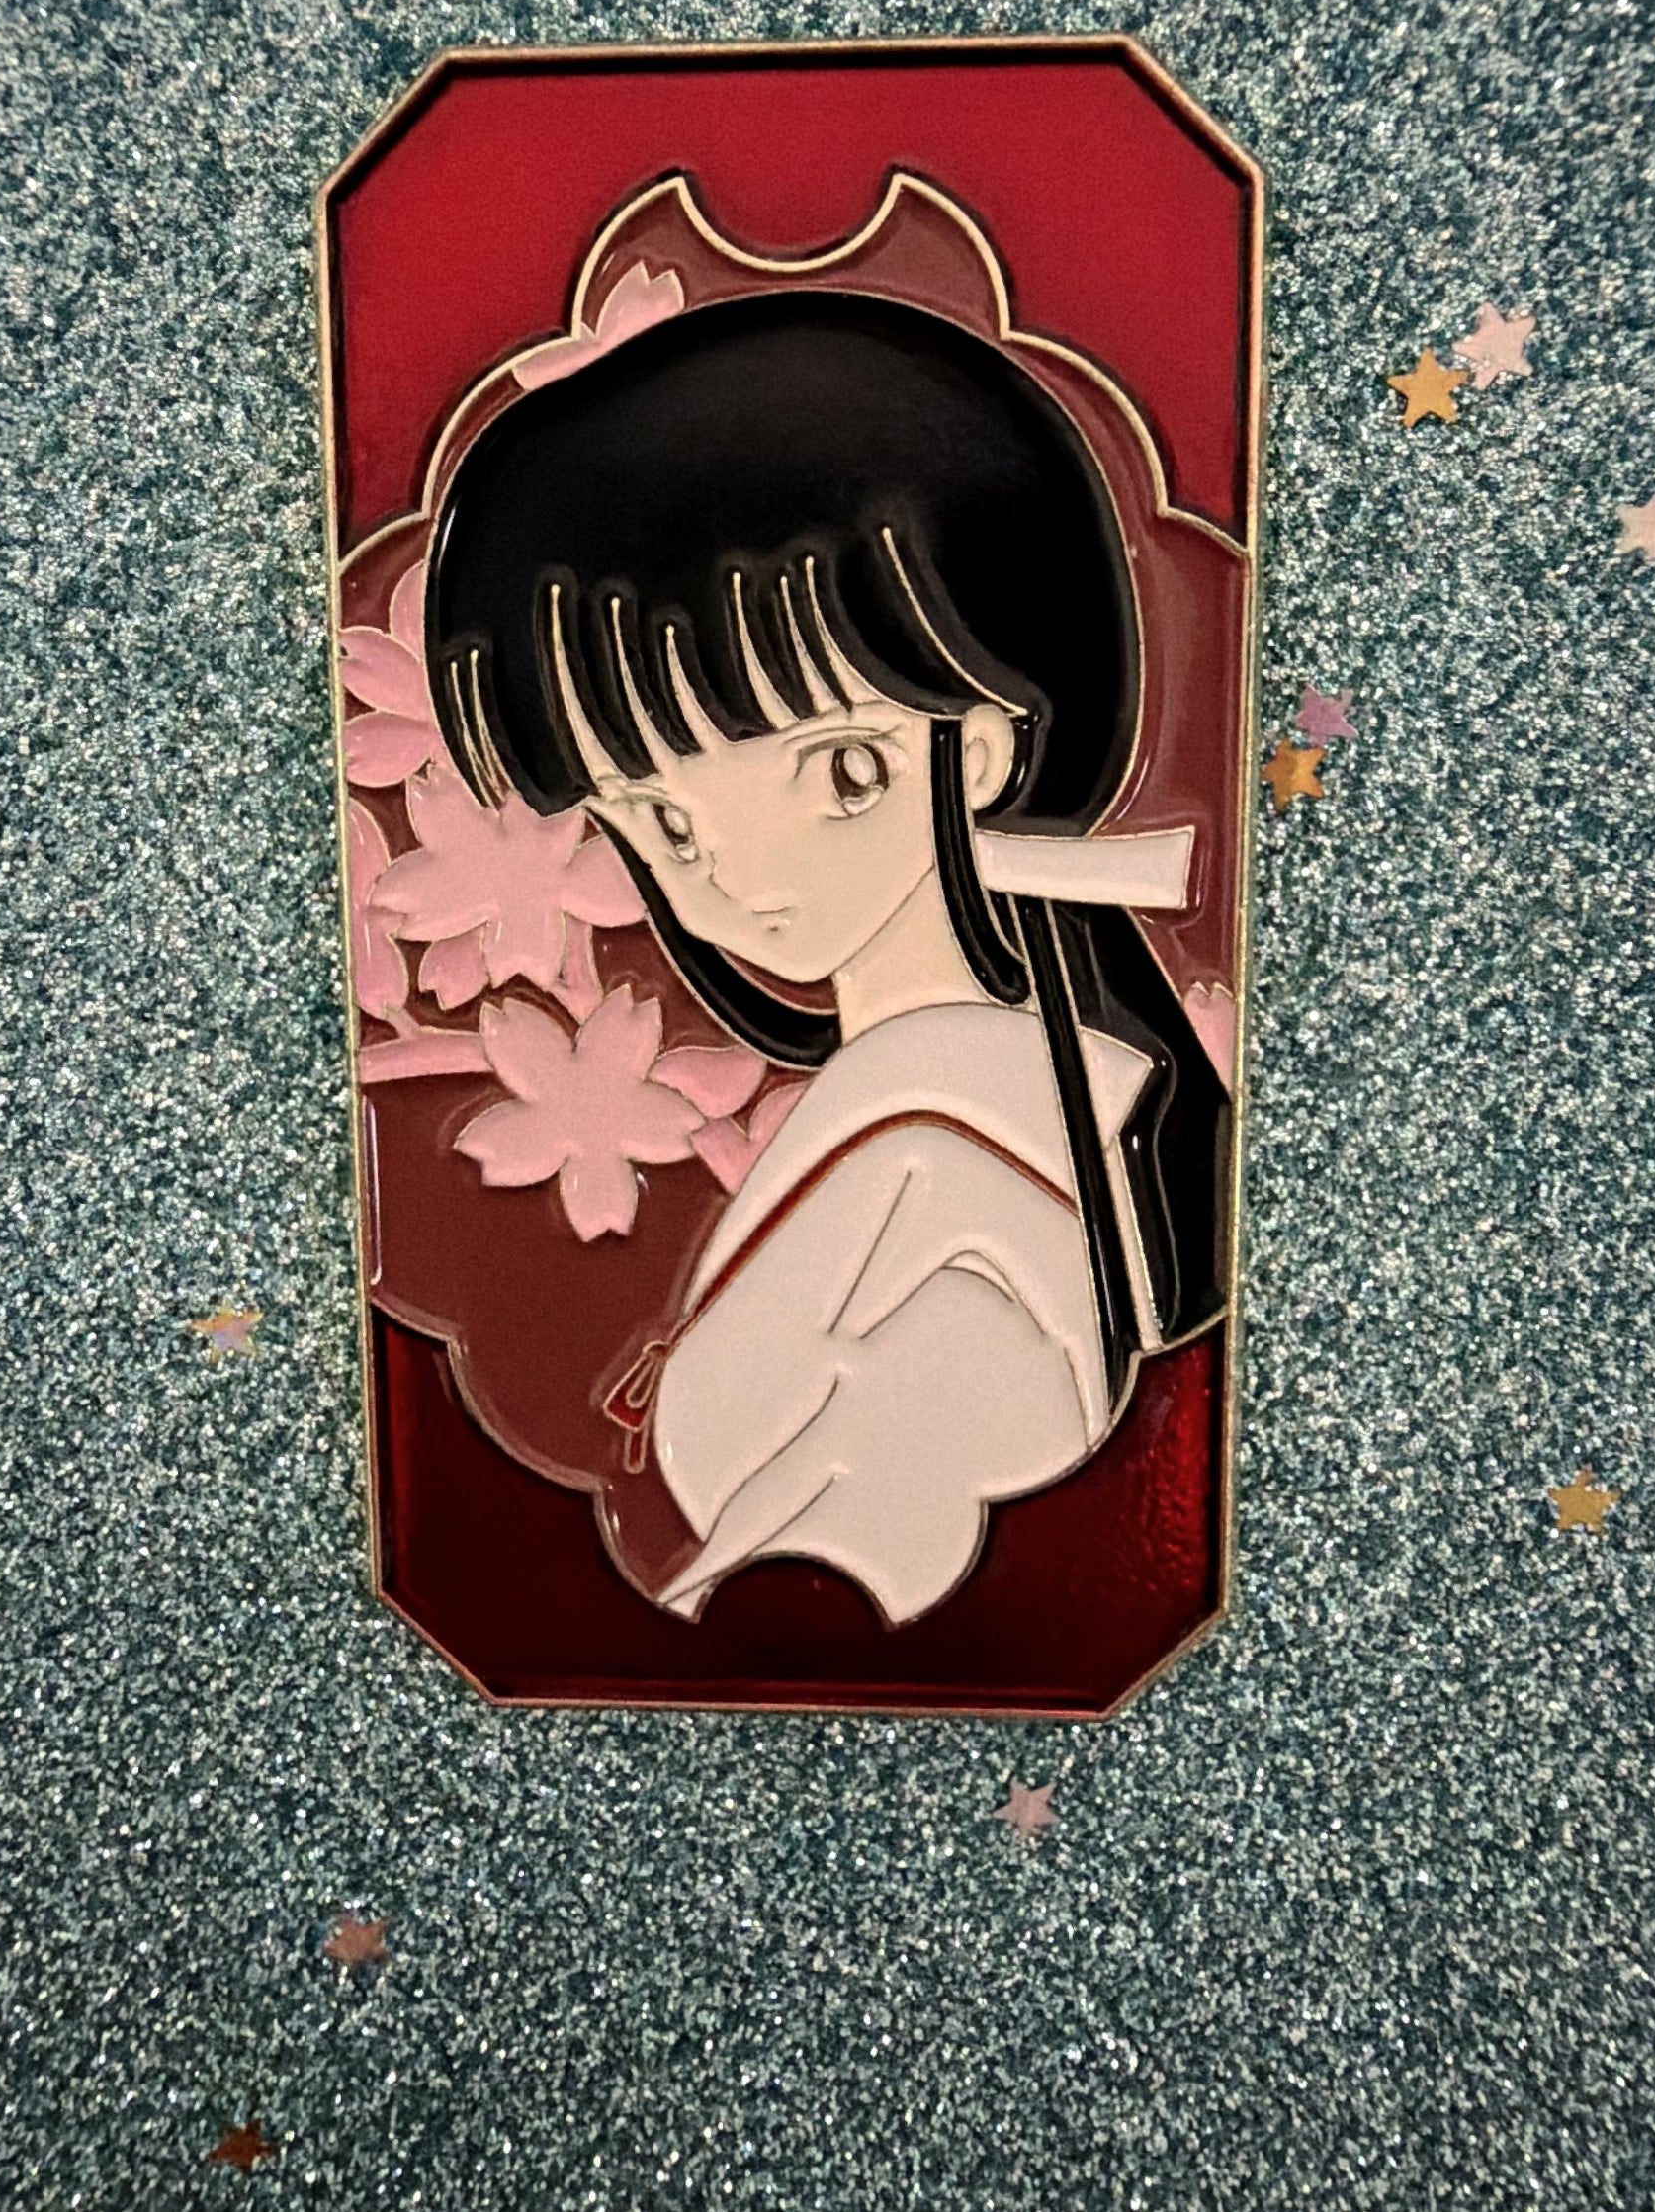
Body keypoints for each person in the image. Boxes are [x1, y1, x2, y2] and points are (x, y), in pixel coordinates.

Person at [425, 287, 1229, 1626]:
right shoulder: (967, 1109)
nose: (739, 875)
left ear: (984, 746)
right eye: (663, 820)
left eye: (842, 771)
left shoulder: (962, 1151)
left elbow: (883, 1539)